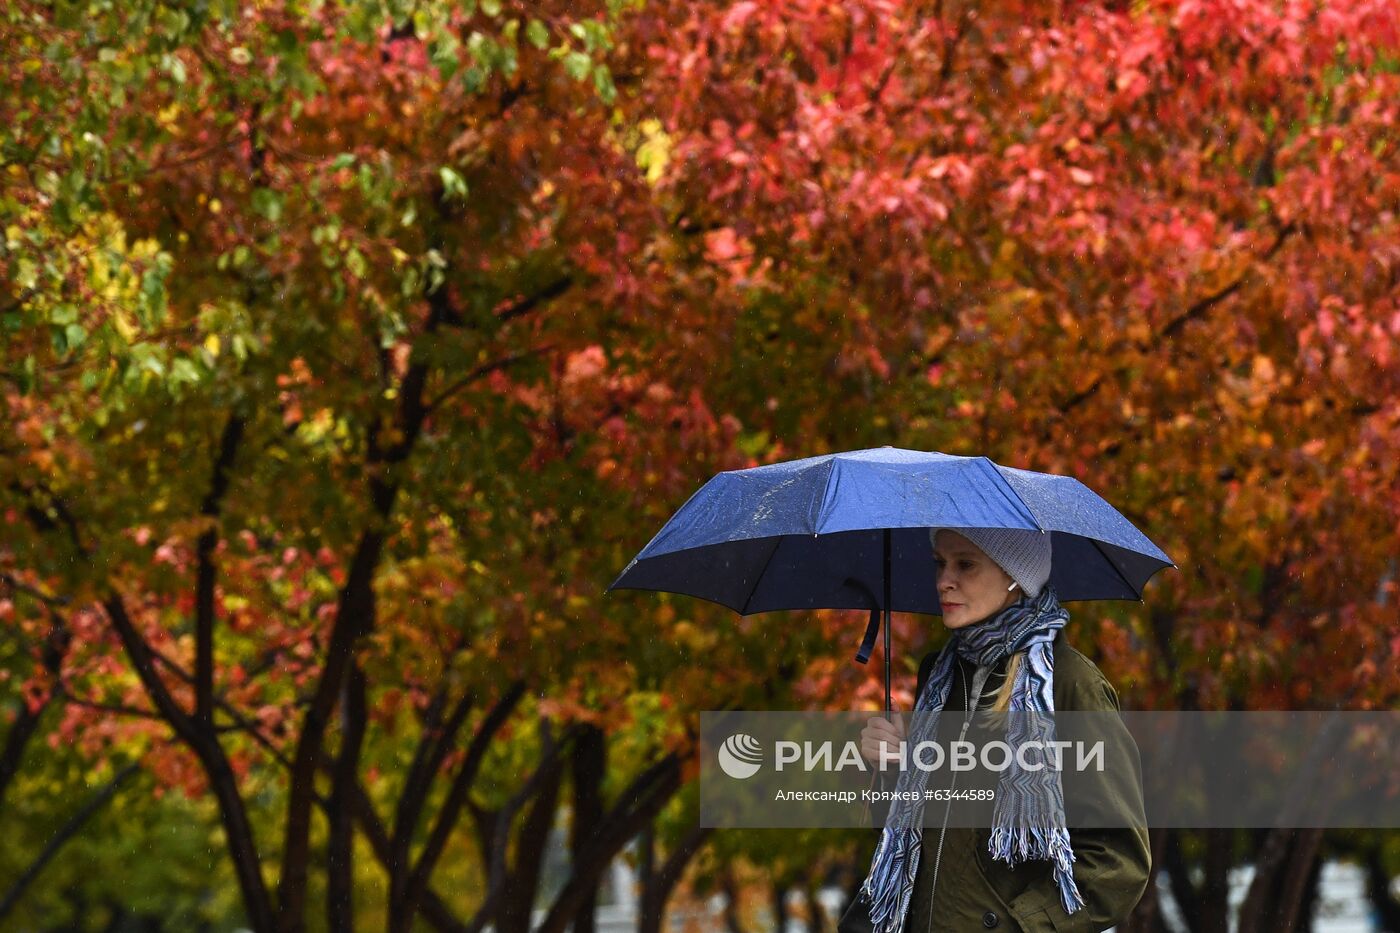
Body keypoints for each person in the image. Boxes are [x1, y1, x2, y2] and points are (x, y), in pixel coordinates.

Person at [837, 527, 1151, 933]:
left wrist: (1021, 925)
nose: (943, 580)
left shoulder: (1070, 686)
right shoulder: (941, 677)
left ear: (1015, 575)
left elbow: (1118, 862)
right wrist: (893, 766)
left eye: (965, 564)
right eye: (940, 563)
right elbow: (921, 839)